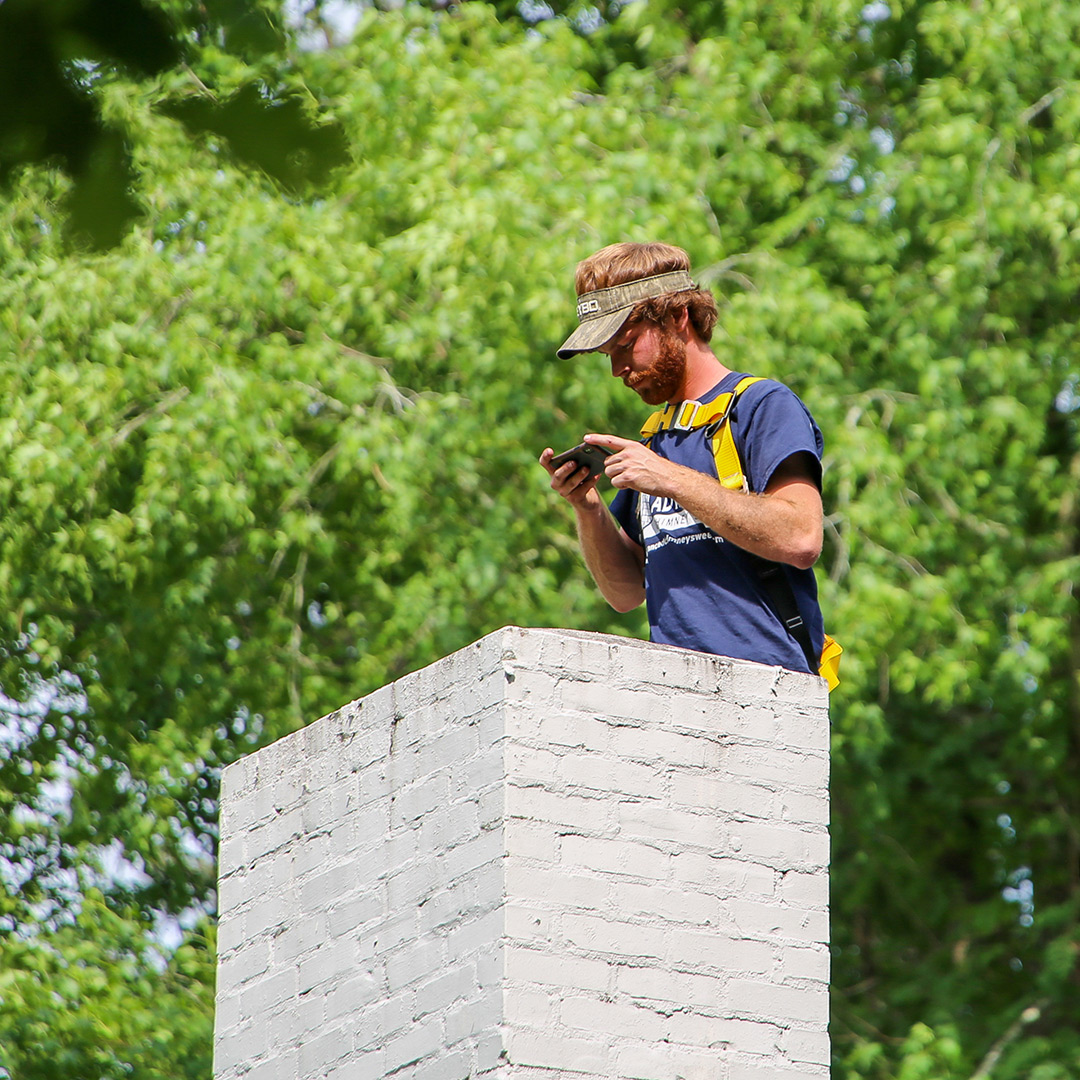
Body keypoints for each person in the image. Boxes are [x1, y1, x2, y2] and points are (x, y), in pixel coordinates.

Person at [540, 241, 828, 677]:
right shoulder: (656, 440)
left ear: (678, 317)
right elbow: (625, 593)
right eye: (607, 355)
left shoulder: (760, 406)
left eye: (626, 344)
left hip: (768, 688)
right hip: (673, 697)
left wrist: (670, 479)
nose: (617, 369)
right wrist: (588, 507)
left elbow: (801, 538)